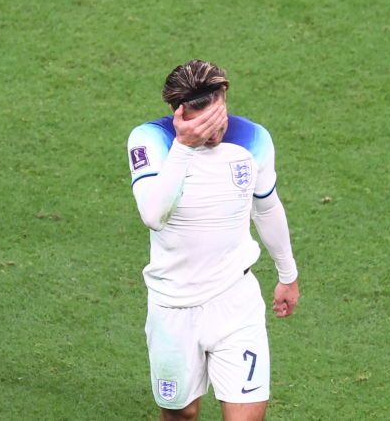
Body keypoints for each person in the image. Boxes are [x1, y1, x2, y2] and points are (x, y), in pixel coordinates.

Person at [126, 60, 300, 421]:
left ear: (224, 98)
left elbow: (266, 209)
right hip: (173, 306)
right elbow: (153, 215)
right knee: (182, 414)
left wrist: (287, 274)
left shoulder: (254, 140)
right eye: (200, 120)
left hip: (235, 301)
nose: (213, 129)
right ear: (180, 111)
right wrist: (185, 147)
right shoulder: (149, 140)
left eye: (218, 115)